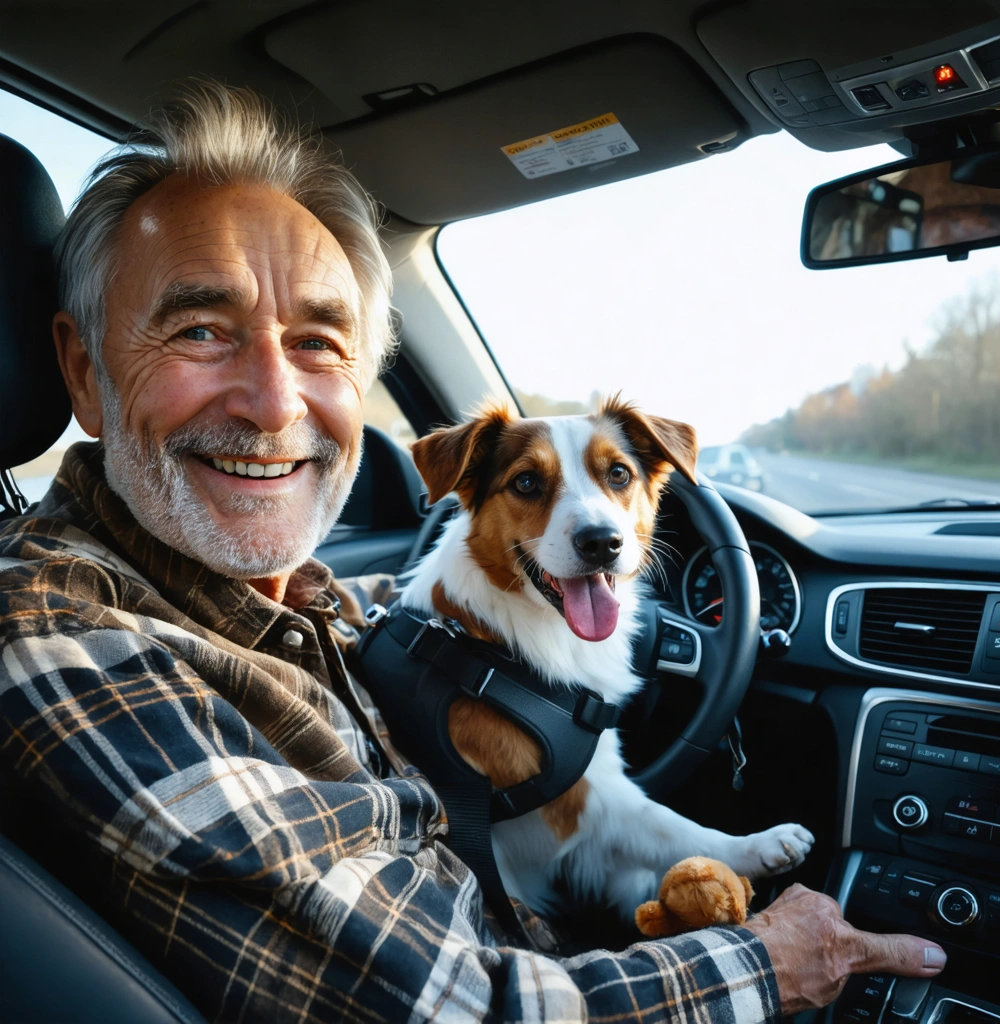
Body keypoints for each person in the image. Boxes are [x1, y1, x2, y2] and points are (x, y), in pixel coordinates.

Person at [0, 82, 946, 1022]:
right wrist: (769, 965)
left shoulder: (282, 603)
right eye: (200, 330)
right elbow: (457, 1011)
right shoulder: (61, 637)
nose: (277, 403)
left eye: (320, 341)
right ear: (84, 370)